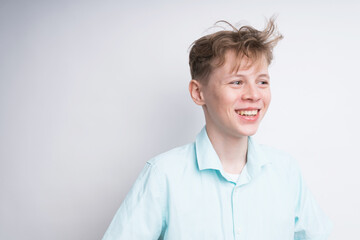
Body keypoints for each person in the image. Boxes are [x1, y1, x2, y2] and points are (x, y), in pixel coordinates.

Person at [102, 18, 332, 240]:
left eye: (262, 81)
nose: (253, 95)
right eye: (236, 82)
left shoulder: (286, 171)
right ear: (198, 93)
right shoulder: (163, 175)